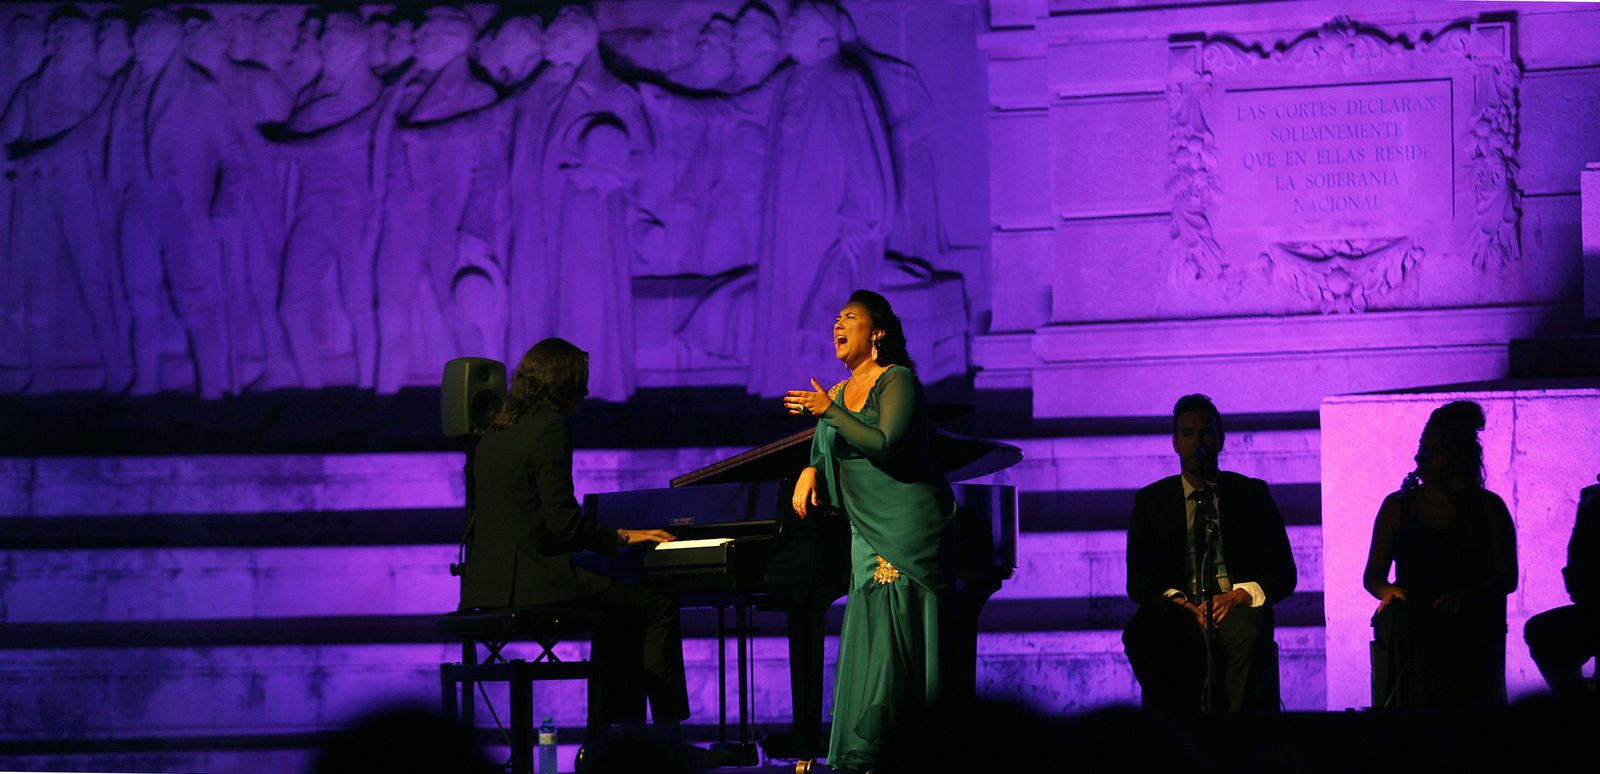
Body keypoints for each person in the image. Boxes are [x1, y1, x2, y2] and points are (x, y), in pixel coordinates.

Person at [459, 338, 690, 729]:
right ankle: (667, 733)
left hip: (488, 586)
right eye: (580, 380)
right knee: (656, 605)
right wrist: (621, 537)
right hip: (534, 583)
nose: (584, 391)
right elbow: (562, 523)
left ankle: (611, 733)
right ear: (562, 382)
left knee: (615, 612)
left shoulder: (496, 431)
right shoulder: (550, 427)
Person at [783, 289, 954, 772]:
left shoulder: (897, 380)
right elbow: (824, 446)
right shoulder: (835, 393)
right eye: (836, 319)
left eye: (850, 318)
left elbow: (886, 443)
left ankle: (893, 750)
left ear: (876, 333)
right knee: (871, 628)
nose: (839, 325)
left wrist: (828, 412)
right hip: (865, 529)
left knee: (898, 634)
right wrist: (810, 469)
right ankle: (869, 752)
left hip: (906, 524)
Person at [1122, 394, 1296, 714]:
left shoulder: (1251, 494)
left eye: (1205, 433)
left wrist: (1242, 594)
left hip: (1233, 607)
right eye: (1187, 434)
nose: (1197, 442)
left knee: (1247, 633)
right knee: (1140, 634)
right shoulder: (1151, 501)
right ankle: (1173, 734)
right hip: (1178, 611)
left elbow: (1284, 573)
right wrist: (1181, 603)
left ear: (1220, 440)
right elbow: (1138, 582)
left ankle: (1235, 739)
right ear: (1175, 443)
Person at [1363, 400, 1517, 707]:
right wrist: (1388, 590)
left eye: (1437, 451)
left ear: (1459, 457)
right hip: (1412, 611)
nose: (1424, 457)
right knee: (1404, 626)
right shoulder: (1398, 507)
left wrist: (1467, 595)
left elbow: (1507, 577)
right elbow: (1373, 575)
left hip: (1468, 615)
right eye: (1423, 447)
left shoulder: (1488, 508)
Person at [1526, 479, 1600, 696]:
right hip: (1590, 604)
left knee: (1543, 632)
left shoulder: (1592, 498)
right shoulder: (1592, 498)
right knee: (1542, 631)